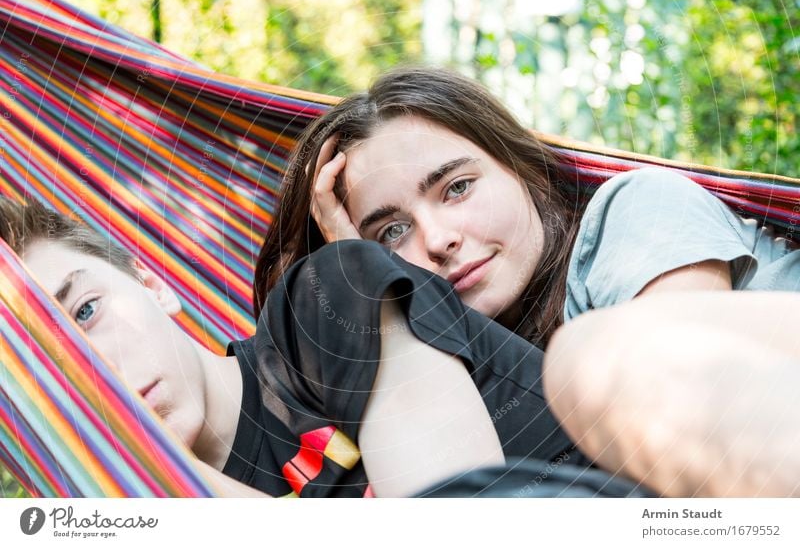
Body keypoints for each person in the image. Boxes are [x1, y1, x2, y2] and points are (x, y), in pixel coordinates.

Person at [254, 66, 800, 496]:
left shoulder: (637, 209)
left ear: (525, 169)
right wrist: (357, 276)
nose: (438, 238)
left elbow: (688, 419)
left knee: (590, 359)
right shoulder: (489, 396)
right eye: (392, 232)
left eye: (458, 187)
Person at [0, 196, 607, 497]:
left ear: (153, 286)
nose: (93, 369)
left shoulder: (325, 303)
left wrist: (162, 472)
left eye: (85, 310)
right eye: (50, 370)